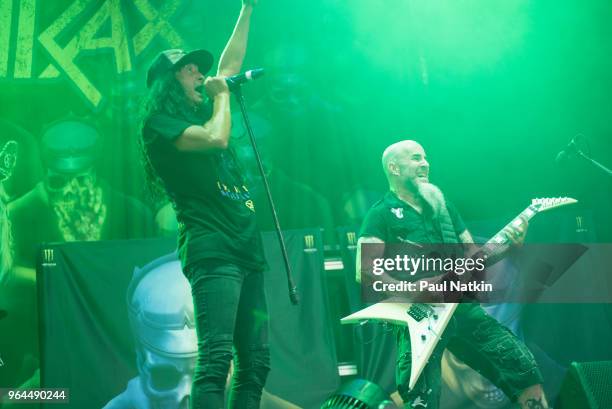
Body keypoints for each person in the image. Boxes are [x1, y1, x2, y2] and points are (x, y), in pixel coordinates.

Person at [139, 1, 269, 408]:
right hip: (214, 250)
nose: (200, 74)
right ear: (168, 81)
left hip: (246, 249)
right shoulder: (160, 126)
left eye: (199, 69)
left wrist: (247, 10)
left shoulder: (204, 108)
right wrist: (223, 98)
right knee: (216, 358)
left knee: (257, 361)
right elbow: (217, 138)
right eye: (190, 70)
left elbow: (228, 68)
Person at [355, 140, 549, 409]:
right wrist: (410, 291)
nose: (425, 163)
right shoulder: (381, 213)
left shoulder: (443, 207)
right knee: (421, 397)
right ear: (394, 167)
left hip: (461, 308)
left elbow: (475, 258)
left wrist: (510, 248)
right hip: (419, 316)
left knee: (521, 366)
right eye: (415, 158)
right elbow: (365, 270)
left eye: (425, 157)